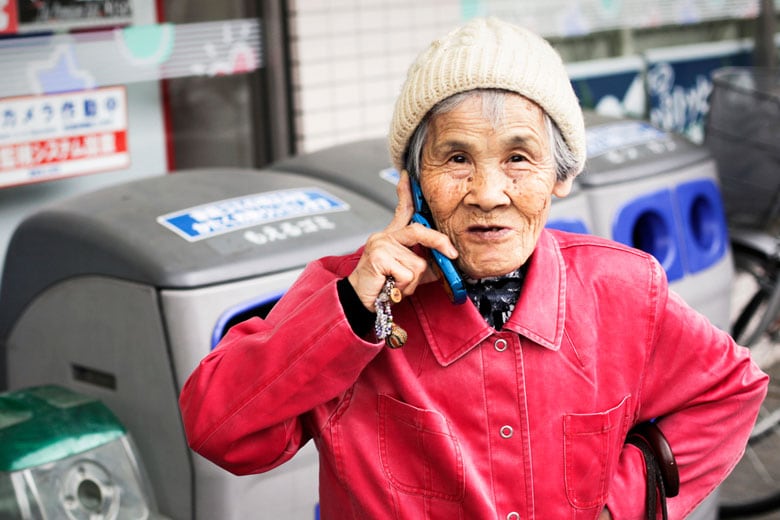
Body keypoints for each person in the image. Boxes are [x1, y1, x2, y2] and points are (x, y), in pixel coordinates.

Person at [179, 17, 768, 519]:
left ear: (560, 177)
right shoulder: (349, 294)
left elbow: (730, 392)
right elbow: (218, 430)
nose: (488, 192)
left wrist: (620, 505)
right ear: (412, 181)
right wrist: (355, 311)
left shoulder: (623, 289)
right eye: (456, 158)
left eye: (519, 158)